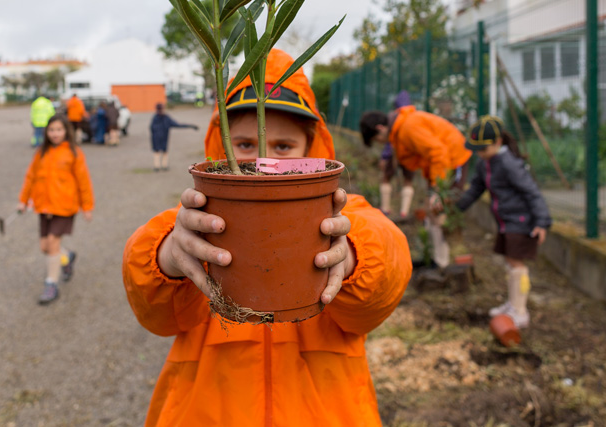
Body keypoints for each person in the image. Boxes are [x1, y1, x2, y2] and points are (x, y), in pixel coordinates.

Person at [122, 49, 411, 426]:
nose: (263, 163)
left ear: (312, 148)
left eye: (284, 147)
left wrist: (351, 254)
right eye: (243, 145)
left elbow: (388, 259)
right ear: (221, 146)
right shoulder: (196, 223)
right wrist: (169, 257)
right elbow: (154, 311)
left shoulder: (345, 215)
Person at [452, 115, 552, 329]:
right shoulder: (485, 163)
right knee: (510, 262)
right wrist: (456, 208)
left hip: (521, 221)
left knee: (517, 265)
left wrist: (542, 222)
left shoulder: (509, 164)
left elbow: (532, 192)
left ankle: (520, 312)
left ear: (497, 143)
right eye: (476, 149)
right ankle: (513, 303)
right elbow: (476, 190)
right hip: (505, 221)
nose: (479, 153)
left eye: (483, 149)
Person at [360, 104, 472, 268]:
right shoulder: (400, 130)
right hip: (440, 166)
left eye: (376, 139)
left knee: (441, 208)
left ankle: (449, 259)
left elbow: (438, 153)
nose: (380, 142)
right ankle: (437, 259)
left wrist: (437, 190)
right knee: (432, 209)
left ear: (380, 128)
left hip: (454, 159)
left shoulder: (408, 127)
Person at [18, 114, 94, 304]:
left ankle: (51, 284)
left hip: (65, 206)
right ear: (46, 132)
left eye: (59, 129)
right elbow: (30, 177)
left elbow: (83, 181)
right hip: (44, 206)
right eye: (51, 130)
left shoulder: (74, 153)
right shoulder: (41, 152)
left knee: (52, 243)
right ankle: (67, 257)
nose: (55, 133)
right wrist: (23, 200)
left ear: (66, 131)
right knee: (45, 247)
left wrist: (87, 206)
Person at [378, 90, 415, 218]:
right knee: (408, 181)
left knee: (386, 178)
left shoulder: (393, 116)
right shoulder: (413, 116)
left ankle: (385, 208)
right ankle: (404, 211)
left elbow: (390, 140)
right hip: (410, 156)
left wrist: (385, 156)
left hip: (394, 154)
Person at [149, 102, 198, 171]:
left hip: (158, 138)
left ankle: (159, 166)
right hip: (160, 138)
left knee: (159, 152)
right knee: (161, 152)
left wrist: (191, 126)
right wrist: (191, 126)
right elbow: (178, 125)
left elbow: (151, 128)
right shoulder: (163, 118)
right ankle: (161, 166)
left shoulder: (159, 118)